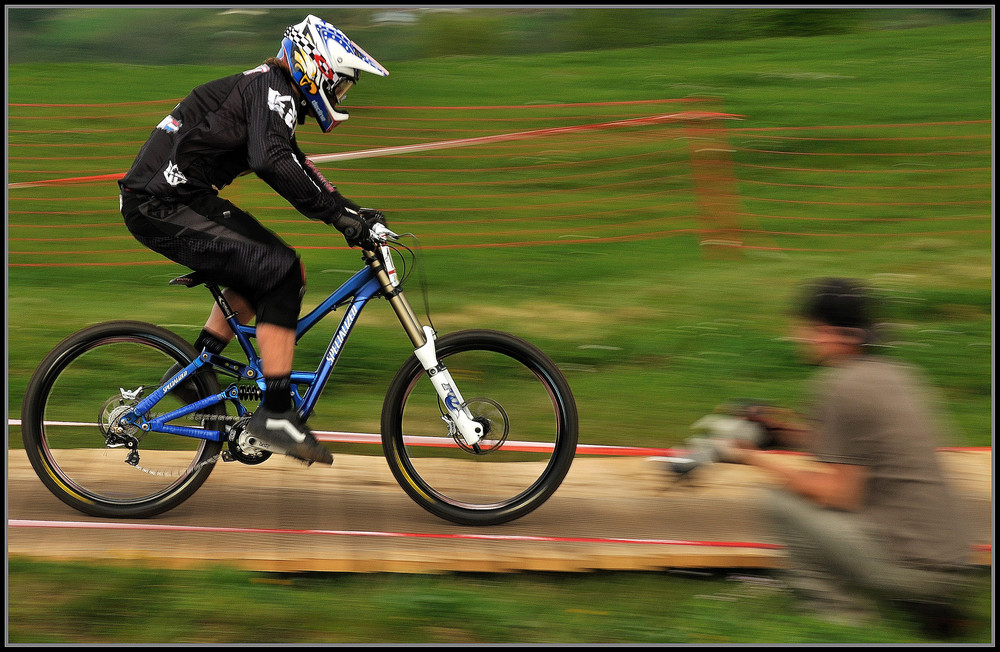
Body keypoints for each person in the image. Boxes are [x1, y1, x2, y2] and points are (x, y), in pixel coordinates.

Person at [118, 15, 389, 466]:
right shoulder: (273, 90)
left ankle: (193, 371)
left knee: (265, 266)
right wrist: (338, 217)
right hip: (162, 204)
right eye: (340, 84)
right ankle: (277, 415)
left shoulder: (271, 90)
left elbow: (295, 164)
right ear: (314, 67)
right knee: (280, 271)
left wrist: (350, 210)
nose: (341, 95)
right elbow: (273, 161)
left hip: (174, 197)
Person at [699, 278, 973, 636]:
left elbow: (839, 494)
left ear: (826, 331)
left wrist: (751, 458)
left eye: (801, 327)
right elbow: (854, 447)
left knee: (779, 500)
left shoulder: (840, 385)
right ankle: (928, 604)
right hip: (949, 560)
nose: (796, 335)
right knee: (808, 496)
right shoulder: (898, 374)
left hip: (909, 565)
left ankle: (837, 618)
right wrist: (779, 433)